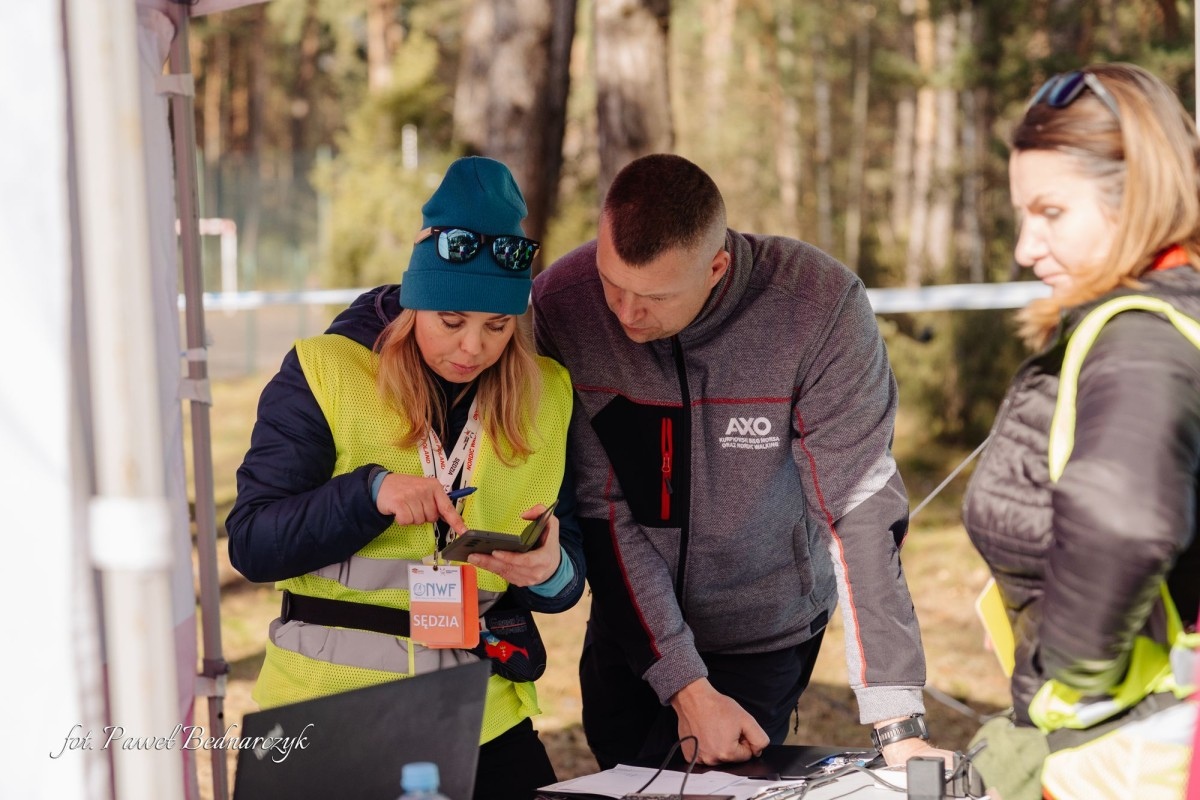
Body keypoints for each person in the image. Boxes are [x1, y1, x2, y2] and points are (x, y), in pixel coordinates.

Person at [531, 152, 952, 770]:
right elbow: (604, 509)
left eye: (654, 296)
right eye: (611, 283)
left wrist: (897, 720)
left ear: (716, 267)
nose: (624, 313)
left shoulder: (819, 308)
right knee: (621, 770)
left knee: (715, 781)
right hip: (632, 624)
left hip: (764, 628)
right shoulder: (565, 304)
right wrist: (683, 681)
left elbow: (858, 509)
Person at [227, 157, 585, 800]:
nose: (472, 347)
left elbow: (568, 573)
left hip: (481, 712)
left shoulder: (550, 395)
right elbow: (253, 543)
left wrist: (551, 570)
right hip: (326, 708)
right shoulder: (325, 372)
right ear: (414, 299)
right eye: (451, 320)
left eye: (497, 326)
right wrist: (369, 495)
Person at [962, 63, 1200, 800]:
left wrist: (1060, 691)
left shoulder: (1140, 337)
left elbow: (1125, 524)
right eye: (1022, 214)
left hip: (1130, 757)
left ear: (1138, 200)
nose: (1026, 247)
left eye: (1052, 213)